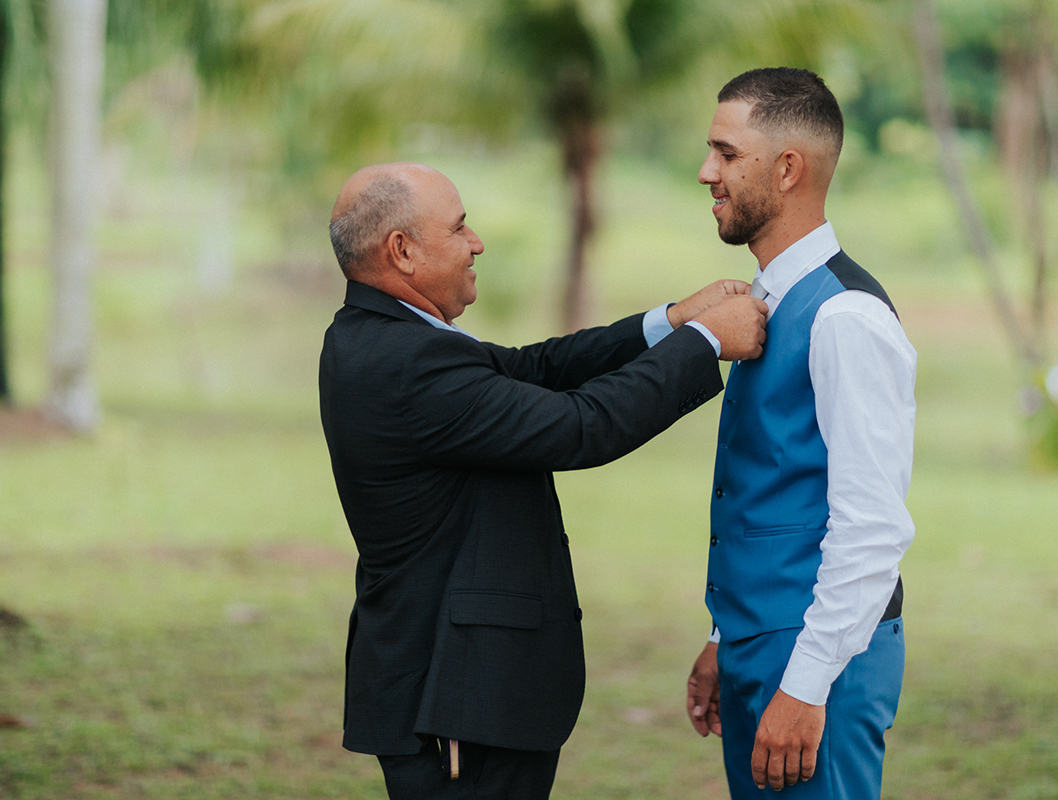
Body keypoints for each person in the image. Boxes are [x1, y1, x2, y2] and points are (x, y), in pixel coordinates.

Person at [319, 161, 768, 800]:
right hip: (452, 701)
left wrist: (668, 321)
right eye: (460, 227)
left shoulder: (386, 337)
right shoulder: (404, 362)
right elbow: (581, 426)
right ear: (404, 251)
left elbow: (534, 369)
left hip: (456, 691)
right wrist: (702, 342)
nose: (476, 242)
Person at [684, 68, 918, 798]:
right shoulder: (766, 299)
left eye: (726, 153)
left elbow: (872, 528)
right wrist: (730, 639)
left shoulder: (847, 318)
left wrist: (807, 686)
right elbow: (776, 489)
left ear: (788, 169)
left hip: (819, 662)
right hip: (764, 646)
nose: (706, 173)